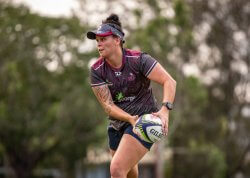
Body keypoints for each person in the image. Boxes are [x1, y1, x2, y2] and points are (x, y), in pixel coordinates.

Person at [87, 13, 176, 178]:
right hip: (117, 124)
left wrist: (165, 110)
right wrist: (129, 118)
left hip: (144, 121)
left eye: (103, 39)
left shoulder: (138, 60)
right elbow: (108, 106)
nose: (99, 44)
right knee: (128, 173)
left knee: (116, 169)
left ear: (117, 40)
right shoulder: (97, 70)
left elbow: (169, 81)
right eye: (97, 40)